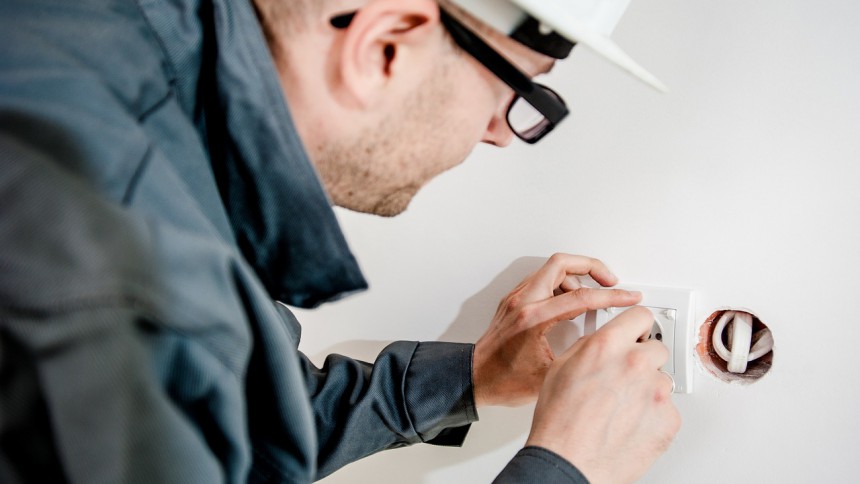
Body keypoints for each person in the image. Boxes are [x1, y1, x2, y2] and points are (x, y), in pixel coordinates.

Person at [0, 0, 680, 482]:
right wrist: (563, 469)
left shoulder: (97, 40)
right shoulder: (131, 292)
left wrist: (469, 378)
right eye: (516, 93)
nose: (500, 133)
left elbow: (234, 428)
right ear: (383, 44)